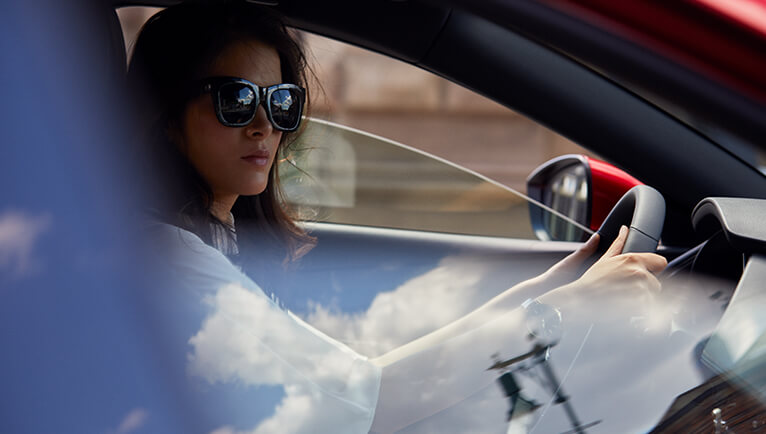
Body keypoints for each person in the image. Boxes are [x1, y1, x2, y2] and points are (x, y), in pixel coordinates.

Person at [127, 2, 667, 432]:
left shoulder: (210, 243)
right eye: (237, 99)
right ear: (167, 113)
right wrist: (562, 314)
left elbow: (360, 379)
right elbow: (373, 397)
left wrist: (547, 288)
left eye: (282, 101)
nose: (264, 125)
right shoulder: (172, 260)